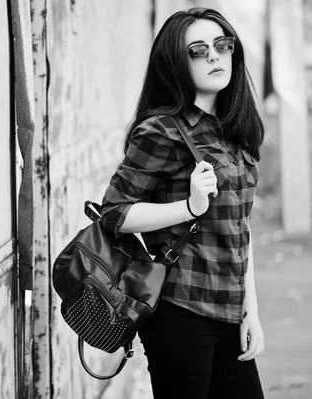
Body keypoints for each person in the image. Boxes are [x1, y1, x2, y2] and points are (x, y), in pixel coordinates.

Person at [100, 7, 265, 399]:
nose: (214, 55)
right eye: (198, 50)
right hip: (181, 309)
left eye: (223, 45)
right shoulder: (161, 130)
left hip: (230, 308)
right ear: (175, 61)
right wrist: (188, 207)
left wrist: (250, 310)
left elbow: (240, 229)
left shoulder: (235, 131)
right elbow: (114, 213)